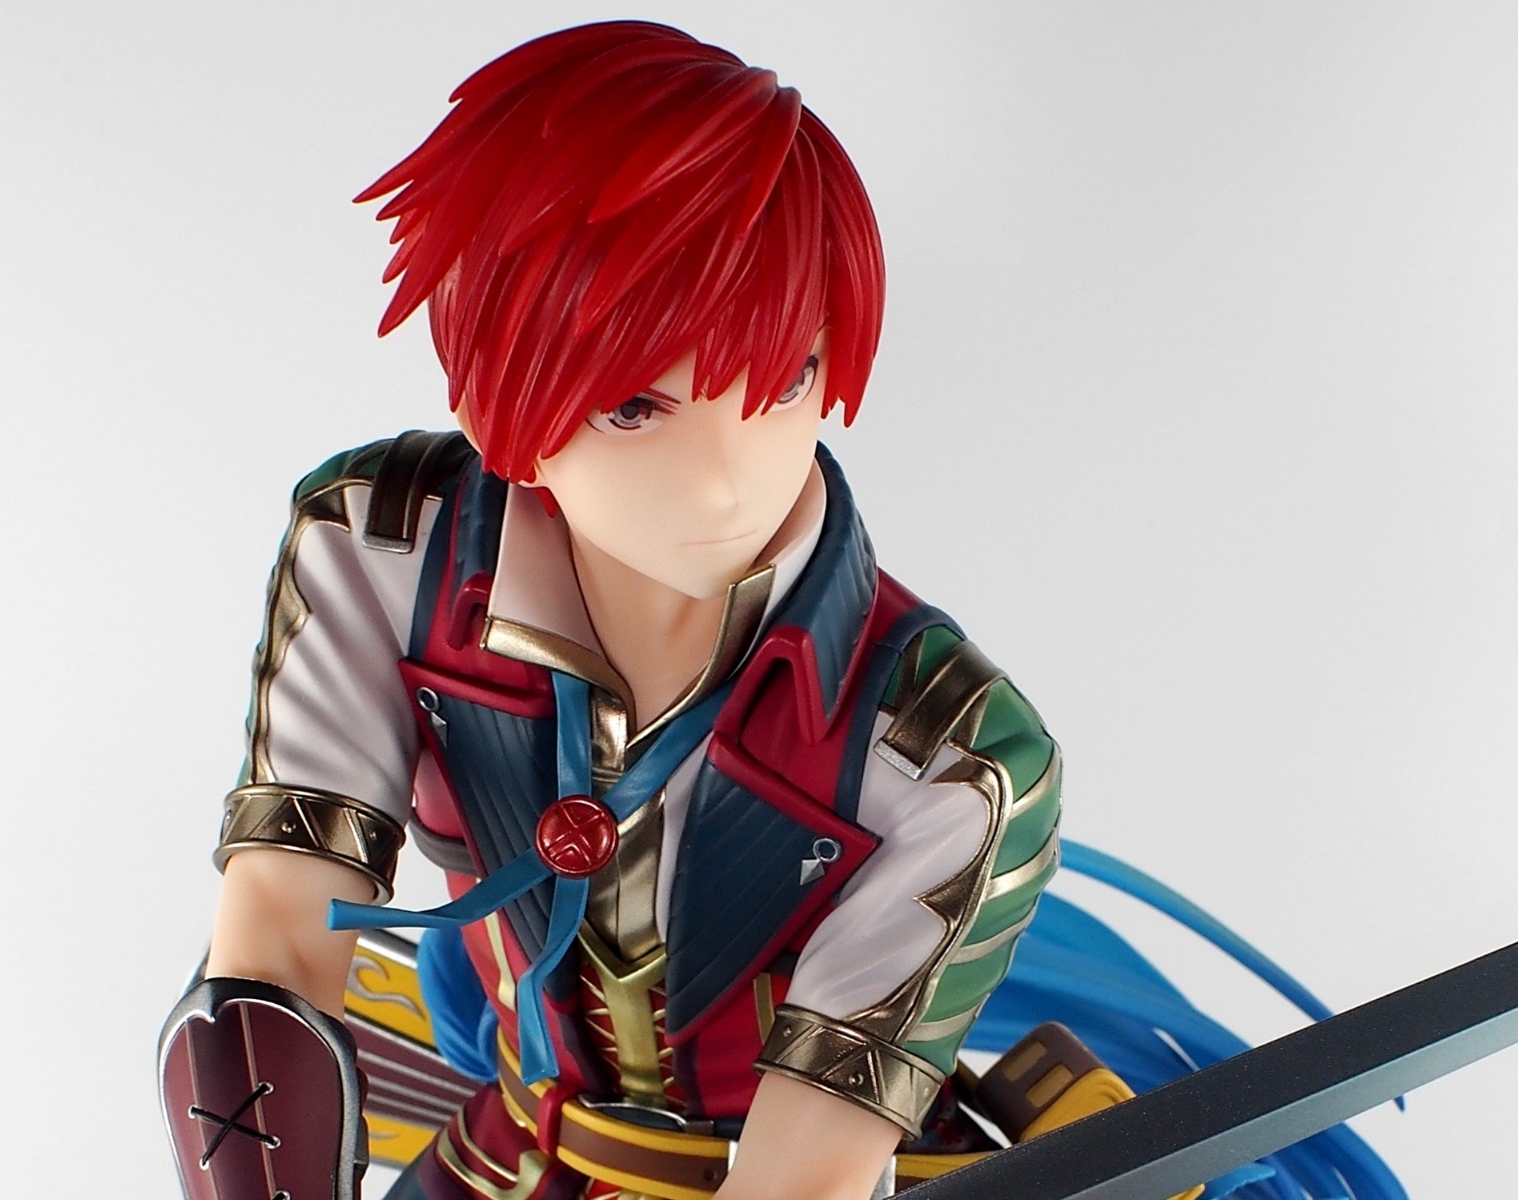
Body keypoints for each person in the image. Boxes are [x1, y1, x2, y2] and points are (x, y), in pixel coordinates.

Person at [157, 21, 1399, 1200]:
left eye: (783, 379)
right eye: (635, 408)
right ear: (496, 394)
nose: (725, 479)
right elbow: (267, 966)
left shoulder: (949, 753)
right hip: (511, 1156)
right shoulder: (386, 552)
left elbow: (807, 1168)